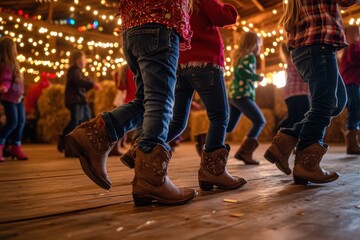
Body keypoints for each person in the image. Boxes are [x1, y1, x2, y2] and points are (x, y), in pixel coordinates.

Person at [66, 0, 197, 206]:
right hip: (160, 22)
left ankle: (98, 134)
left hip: (133, 26)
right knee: (160, 101)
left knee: (147, 100)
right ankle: (151, 179)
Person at [121, 0, 247, 191]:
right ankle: (214, 171)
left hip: (179, 65)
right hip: (206, 64)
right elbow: (224, 17)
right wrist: (227, 5)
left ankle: (140, 149)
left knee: (178, 121)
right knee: (219, 116)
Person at [264, 0, 359, 185]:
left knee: (338, 101)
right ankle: (307, 163)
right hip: (319, 43)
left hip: (306, 46)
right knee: (324, 104)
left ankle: (285, 142)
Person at [226, 31, 266, 165]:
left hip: (234, 95)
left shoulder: (239, 56)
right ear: (253, 44)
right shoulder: (250, 57)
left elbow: (239, 72)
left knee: (230, 126)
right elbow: (242, 72)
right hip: (242, 95)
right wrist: (257, 77)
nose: (259, 47)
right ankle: (245, 153)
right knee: (260, 121)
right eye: (258, 44)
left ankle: (204, 140)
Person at [57, 50, 101, 157]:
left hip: (81, 100)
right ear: (78, 60)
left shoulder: (79, 71)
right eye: (83, 59)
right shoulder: (73, 70)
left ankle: (78, 145)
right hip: (75, 100)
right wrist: (91, 84)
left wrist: (90, 84)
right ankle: (65, 141)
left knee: (86, 120)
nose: (84, 61)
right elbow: (78, 82)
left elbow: (81, 84)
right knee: (75, 120)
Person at [0, 36, 28, 161]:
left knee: (21, 122)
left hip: (18, 98)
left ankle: (15, 146)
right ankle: (1, 143)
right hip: (9, 97)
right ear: (10, 49)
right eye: (14, 46)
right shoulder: (6, 65)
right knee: (12, 122)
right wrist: (4, 87)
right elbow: (6, 79)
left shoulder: (15, 64)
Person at [277, 42, 310, 130]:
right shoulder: (297, 59)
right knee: (304, 117)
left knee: (294, 117)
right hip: (299, 92)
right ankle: (280, 131)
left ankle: (280, 130)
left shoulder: (289, 60)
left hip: (289, 93)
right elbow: (304, 74)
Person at [340, 26, 360, 154]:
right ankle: (351, 143)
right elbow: (354, 59)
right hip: (351, 83)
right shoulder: (351, 47)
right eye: (352, 33)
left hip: (355, 82)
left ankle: (354, 141)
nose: (355, 35)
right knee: (355, 109)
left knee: (357, 109)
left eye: (357, 32)